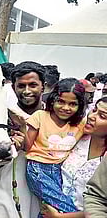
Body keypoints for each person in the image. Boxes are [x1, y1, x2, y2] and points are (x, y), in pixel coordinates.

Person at [0, 61, 45, 218]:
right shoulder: (1, 118)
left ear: (43, 86)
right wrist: (9, 149)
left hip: (40, 200)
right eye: (21, 86)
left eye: (33, 85)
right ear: (13, 87)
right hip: (3, 197)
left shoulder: (53, 118)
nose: (27, 91)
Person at [25, 78, 86, 216]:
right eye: (61, 101)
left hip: (59, 169)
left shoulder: (81, 123)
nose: (66, 108)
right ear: (53, 100)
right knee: (63, 205)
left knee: (50, 209)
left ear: (80, 106)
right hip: (37, 168)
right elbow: (27, 146)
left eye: (72, 104)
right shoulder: (40, 116)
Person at [40, 96, 107, 218]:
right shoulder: (77, 138)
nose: (92, 116)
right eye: (94, 110)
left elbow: (100, 206)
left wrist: (60, 217)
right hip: (51, 210)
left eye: (102, 116)